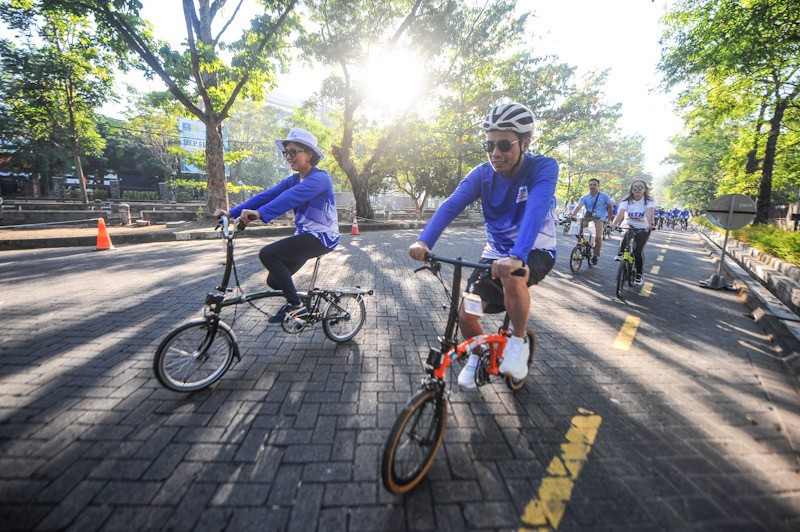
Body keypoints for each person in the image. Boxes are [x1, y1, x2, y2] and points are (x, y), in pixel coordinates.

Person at [408, 102, 558, 388]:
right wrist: (424, 240)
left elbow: (536, 208)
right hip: (495, 253)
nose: (495, 154)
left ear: (525, 143)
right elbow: (451, 205)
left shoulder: (544, 168)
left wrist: (517, 256)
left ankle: (518, 341)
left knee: (512, 275)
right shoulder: (482, 174)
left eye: (504, 144)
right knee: (466, 314)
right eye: (489, 145)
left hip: (535, 250)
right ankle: (478, 355)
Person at [213, 128, 339, 324]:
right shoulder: (294, 179)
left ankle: (296, 307)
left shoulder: (319, 178)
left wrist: (261, 214)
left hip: (322, 237)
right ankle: (300, 302)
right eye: (286, 152)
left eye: (294, 151)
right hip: (305, 235)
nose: (289, 156)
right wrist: (231, 213)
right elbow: (268, 195)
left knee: (268, 254)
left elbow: (289, 198)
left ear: (309, 154)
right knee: (274, 280)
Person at [608, 179, 655, 285]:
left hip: (644, 227)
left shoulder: (649, 200)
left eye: (640, 187)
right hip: (629, 224)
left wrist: (651, 224)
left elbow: (649, 212)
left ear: (645, 189)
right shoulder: (626, 200)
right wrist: (614, 224)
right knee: (627, 233)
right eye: (635, 187)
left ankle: (639, 274)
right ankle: (621, 253)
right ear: (632, 189)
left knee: (638, 251)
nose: (637, 189)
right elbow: (620, 214)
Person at [569, 178, 614, 265]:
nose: (592, 186)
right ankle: (585, 244)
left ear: (598, 186)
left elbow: (610, 207)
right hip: (588, 217)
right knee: (577, 229)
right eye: (591, 184)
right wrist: (572, 214)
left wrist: (609, 219)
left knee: (598, 237)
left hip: (599, 218)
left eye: (594, 185)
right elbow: (578, 206)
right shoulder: (585, 197)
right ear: (588, 186)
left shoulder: (604, 196)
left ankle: (596, 255)